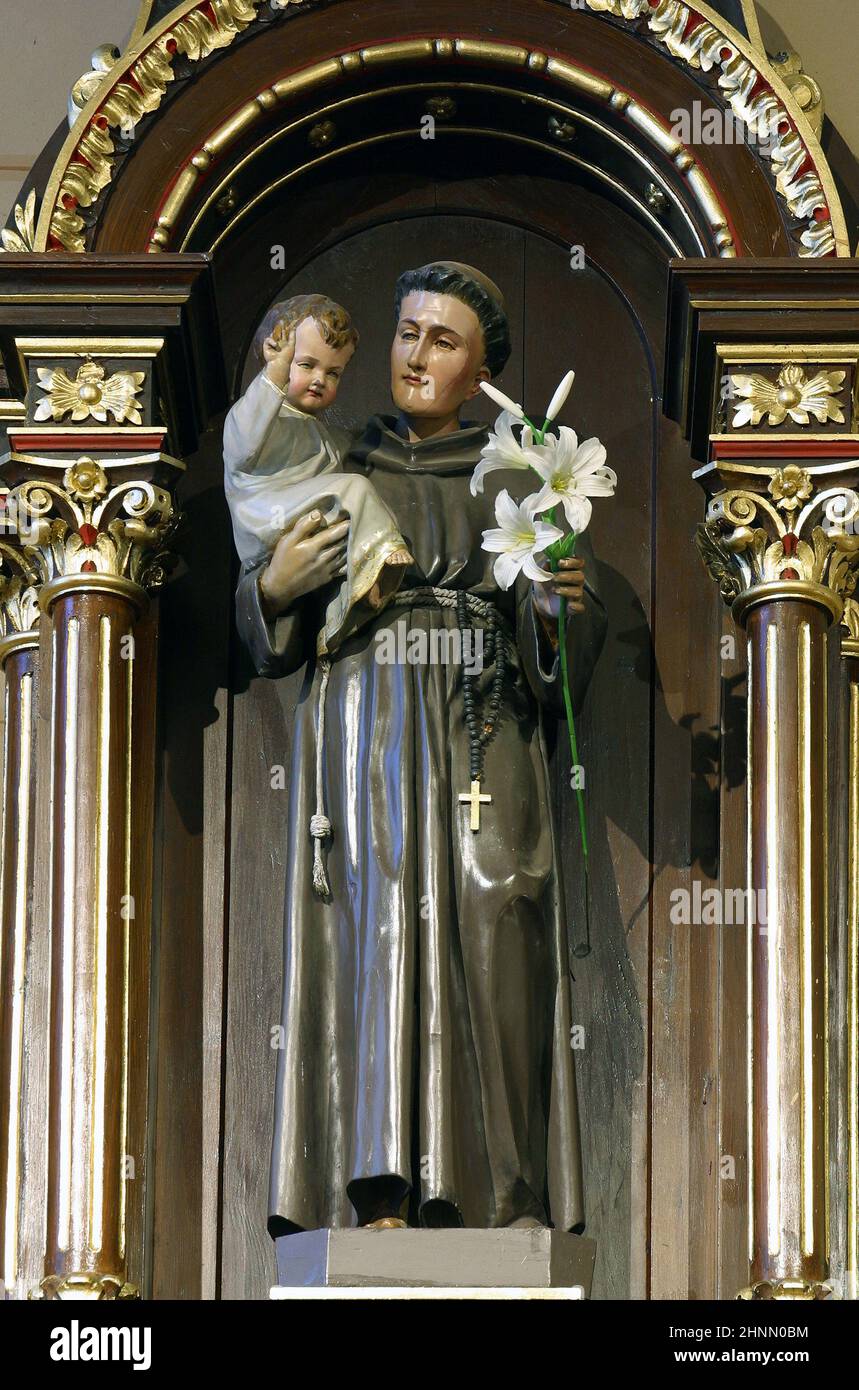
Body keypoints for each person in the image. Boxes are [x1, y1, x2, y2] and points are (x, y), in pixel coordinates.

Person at [234, 261, 607, 1233]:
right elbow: (262, 604)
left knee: (499, 913)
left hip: (485, 718)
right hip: (370, 711)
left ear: (481, 366)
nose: (414, 353)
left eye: (441, 340)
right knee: (379, 924)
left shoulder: (517, 473)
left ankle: (506, 1198)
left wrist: (556, 598)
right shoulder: (337, 460)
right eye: (406, 332)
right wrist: (273, 587)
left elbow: (563, 633)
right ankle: (380, 1191)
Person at [223, 292, 411, 654]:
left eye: (333, 372)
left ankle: (354, 597)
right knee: (353, 489)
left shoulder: (321, 432)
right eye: (306, 365)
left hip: (301, 516)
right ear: (274, 352)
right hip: (265, 513)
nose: (320, 380)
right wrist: (274, 375)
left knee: (348, 498)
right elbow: (242, 447)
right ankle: (382, 552)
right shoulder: (258, 414)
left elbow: (339, 455)